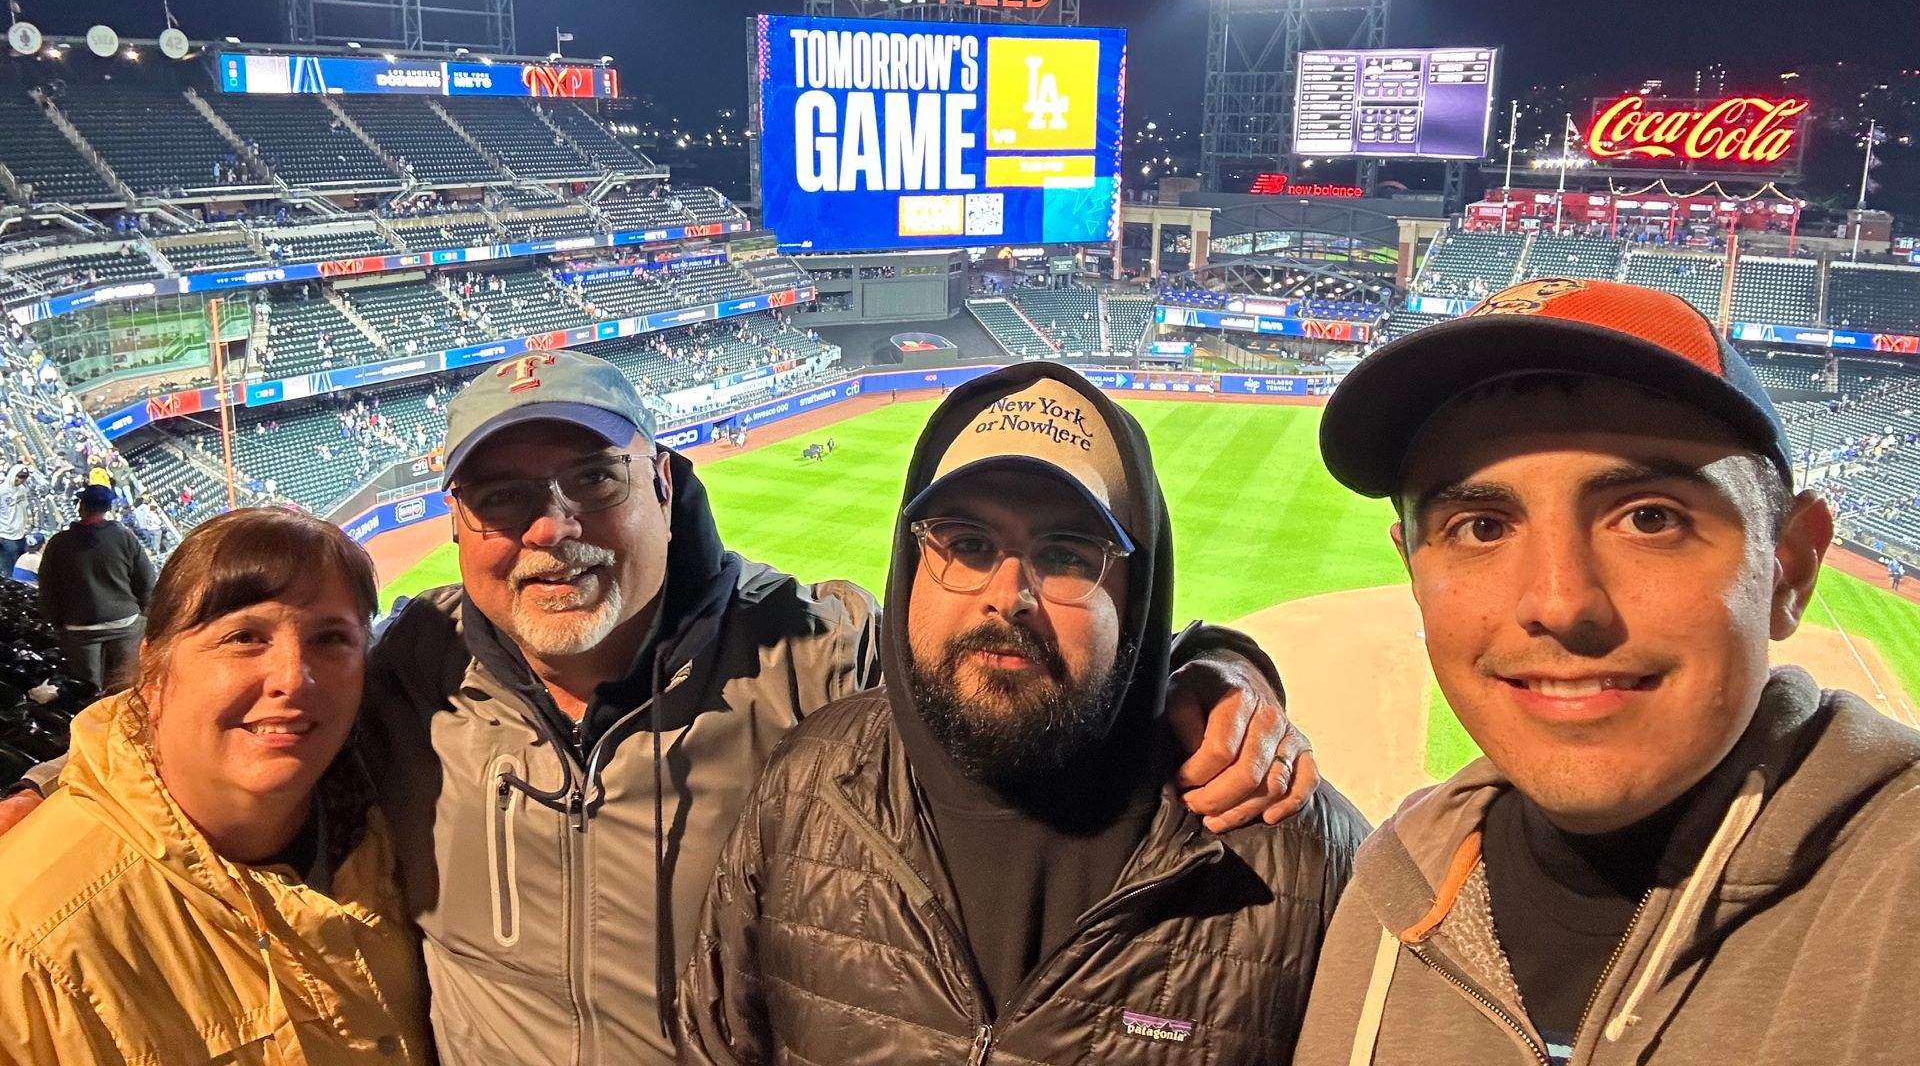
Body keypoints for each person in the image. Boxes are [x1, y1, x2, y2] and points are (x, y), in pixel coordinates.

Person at [0, 349, 1307, 1065]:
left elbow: (1008, 668)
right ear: (456, 527)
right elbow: (206, 733)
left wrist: (1217, 670)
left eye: (591, 480)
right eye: (505, 499)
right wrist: (62, 788)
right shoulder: (406, 677)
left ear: (666, 488)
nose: (550, 531)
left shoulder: (807, 653)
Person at [1296, 279, 1920, 1065]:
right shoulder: (1387, 893)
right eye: (1481, 526)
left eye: (1650, 517)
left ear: (1788, 568)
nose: (1561, 602)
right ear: (1413, 570)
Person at [680, 363, 1363, 1063]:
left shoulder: (1302, 862)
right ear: (910, 568)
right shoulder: (804, 782)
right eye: (968, 545)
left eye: (1065, 555)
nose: (1009, 595)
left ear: (1136, 600)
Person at [0, 508, 430, 1064]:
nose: (293, 677)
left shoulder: (393, 821)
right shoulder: (28, 941)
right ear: (153, 675)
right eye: (244, 637)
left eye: (331, 638)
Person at [34, 484, 156, 694]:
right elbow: (145, 582)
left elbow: (47, 588)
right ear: (108, 508)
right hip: (124, 623)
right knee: (125, 689)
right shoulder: (124, 537)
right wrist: (145, 613)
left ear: (81, 507)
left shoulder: (58, 543)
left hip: (79, 628)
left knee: (88, 692)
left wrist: (56, 621)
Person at [0, 463, 33, 581]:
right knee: (6, 569)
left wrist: (28, 523)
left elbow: (25, 508)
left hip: (21, 533)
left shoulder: (22, 490)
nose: (20, 480)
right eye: (19, 476)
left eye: (24, 477)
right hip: (5, 535)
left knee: (19, 566)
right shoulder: (2, 491)